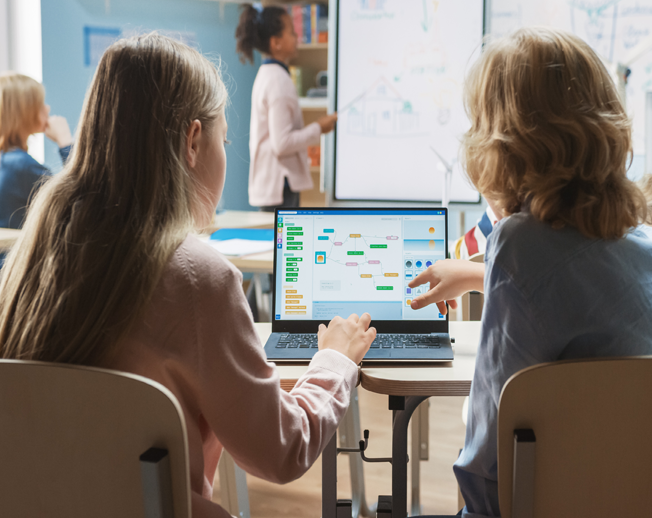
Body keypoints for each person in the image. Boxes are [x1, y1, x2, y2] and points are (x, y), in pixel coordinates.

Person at [0, 33, 376, 518]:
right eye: (224, 139)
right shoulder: (199, 278)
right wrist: (333, 363)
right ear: (193, 141)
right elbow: (281, 451)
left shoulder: (29, 260)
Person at [408, 27, 652, 518]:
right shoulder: (643, 239)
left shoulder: (518, 243)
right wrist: (480, 274)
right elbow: (577, 286)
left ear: (500, 142)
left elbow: (486, 464)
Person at [236, 4, 337, 210]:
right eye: (291, 32)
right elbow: (282, 143)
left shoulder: (268, 75)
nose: (297, 37)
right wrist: (319, 127)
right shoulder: (278, 80)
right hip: (281, 185)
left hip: (274, 186)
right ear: (276, 43)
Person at [0, 72, 73, 228]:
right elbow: (75, 203)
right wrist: (65, 142)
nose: (47, 108)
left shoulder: (6, 162)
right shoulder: (21, 166)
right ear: (24, 112)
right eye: (40, 105)